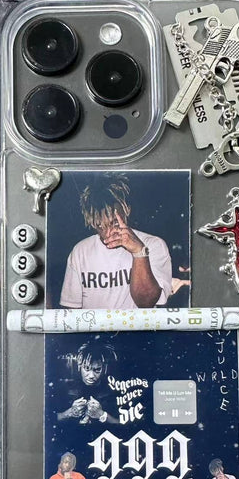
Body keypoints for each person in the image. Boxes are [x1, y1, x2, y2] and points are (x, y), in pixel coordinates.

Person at [60, 176, 172, 309]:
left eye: (114, 223)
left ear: (127, 210)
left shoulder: (153, 245)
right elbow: (71, 309)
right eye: (100, 226)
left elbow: (146, 303)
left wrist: (139, 253)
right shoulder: (80, 251)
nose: (108, 234)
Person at [57, 339, 118, 424]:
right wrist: (69, 412)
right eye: (87, 368)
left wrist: (102, 415)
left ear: (104, 369)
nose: (91, 375)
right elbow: (50, 418)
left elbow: (124, 424)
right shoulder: (66, 388)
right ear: (80, 366)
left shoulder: (112, 390)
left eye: (97, 370)